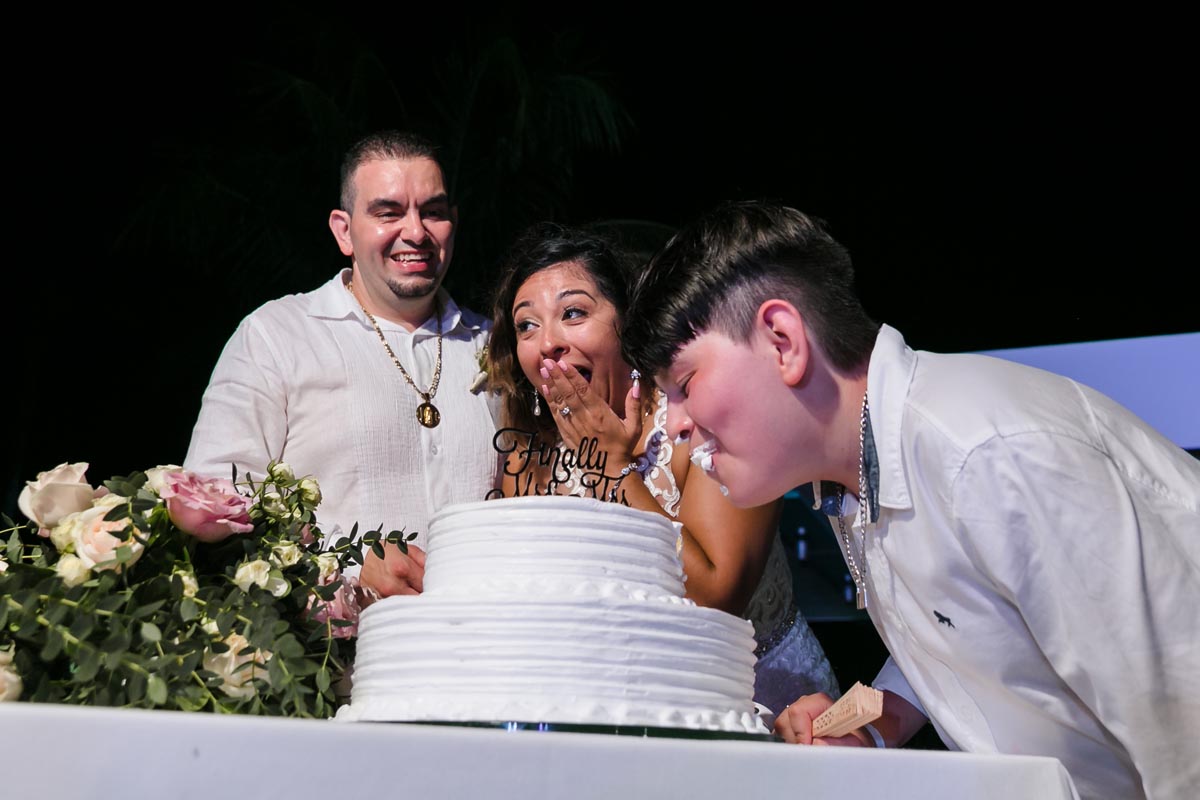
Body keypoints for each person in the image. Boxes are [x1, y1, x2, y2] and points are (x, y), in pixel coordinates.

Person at [621, 200, 1199, 800]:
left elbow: (1183, 721)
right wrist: (878, 718)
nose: (677, 423)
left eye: (684, 386)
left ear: (782, 340)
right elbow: (978, 619)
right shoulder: (857, 473)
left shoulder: (988, 456)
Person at [486, 221, 839, 714]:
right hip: (619, 706)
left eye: (572, 313)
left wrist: (611, 469)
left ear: (624, 322)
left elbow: (715, 598)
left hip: (762, 700)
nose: (548, 342)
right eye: (527, 325)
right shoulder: (529, 450)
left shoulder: (695, 418)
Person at [184, 130, 500, 596]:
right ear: (344, 230)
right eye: (388, 212)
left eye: (432, 212)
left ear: (453, 222)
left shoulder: (498, 346)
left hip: (483, 649)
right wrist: (346, 565)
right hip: (333, 659)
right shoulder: (278, 335)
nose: (415, 232)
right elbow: (214, 505)